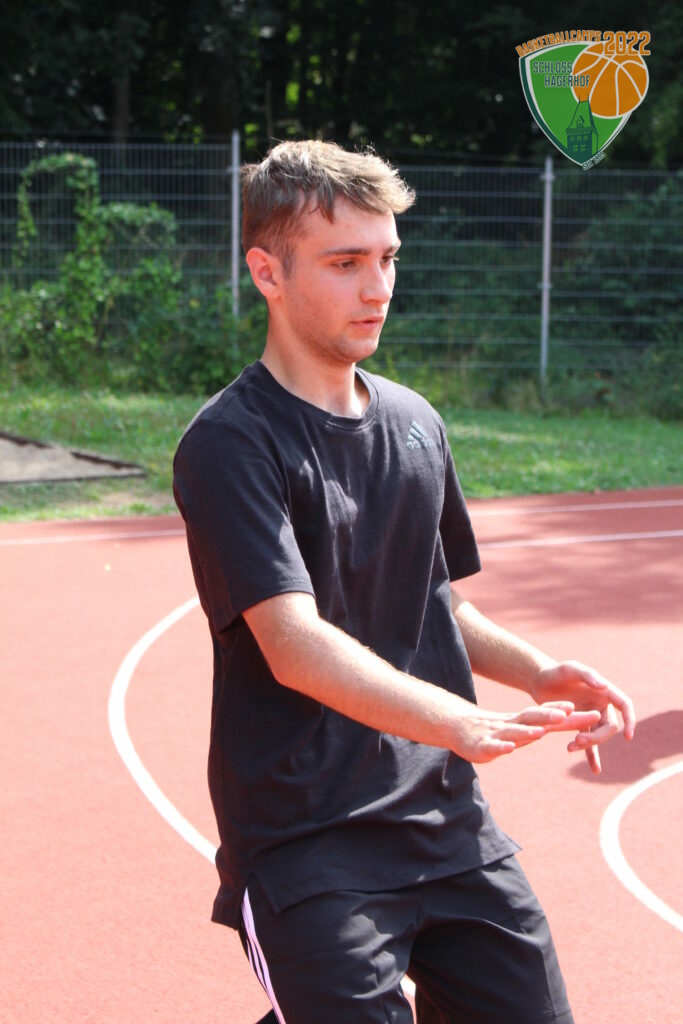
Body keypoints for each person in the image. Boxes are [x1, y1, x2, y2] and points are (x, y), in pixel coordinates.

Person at [173, 140, 635, 1024]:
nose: (377, 287)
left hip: (445, 823)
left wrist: (536, 671)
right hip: (305, 841)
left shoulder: (416, 422)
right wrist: (457, 719)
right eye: (344, 263)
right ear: (267, 273)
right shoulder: (231, 443)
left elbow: (436, 601)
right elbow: (293, 644)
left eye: (386, 258)